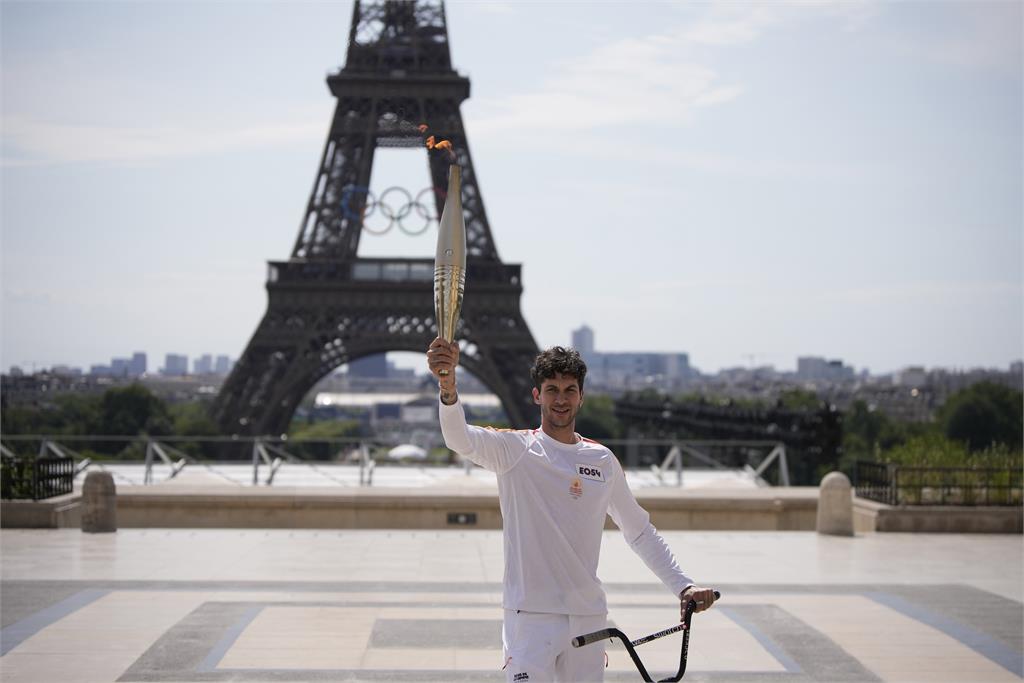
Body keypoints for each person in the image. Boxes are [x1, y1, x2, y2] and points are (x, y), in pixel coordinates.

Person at [427, 338, 716, 683]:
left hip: (588, 618)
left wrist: (683, 587)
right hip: (530, 617)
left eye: (569, 390)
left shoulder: (602, 460)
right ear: (537, 395)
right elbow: (459, 438)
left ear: (581, 396)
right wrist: (448, 387)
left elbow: (639, 530)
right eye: (551, 390)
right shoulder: (515, 450)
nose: (561, 399)